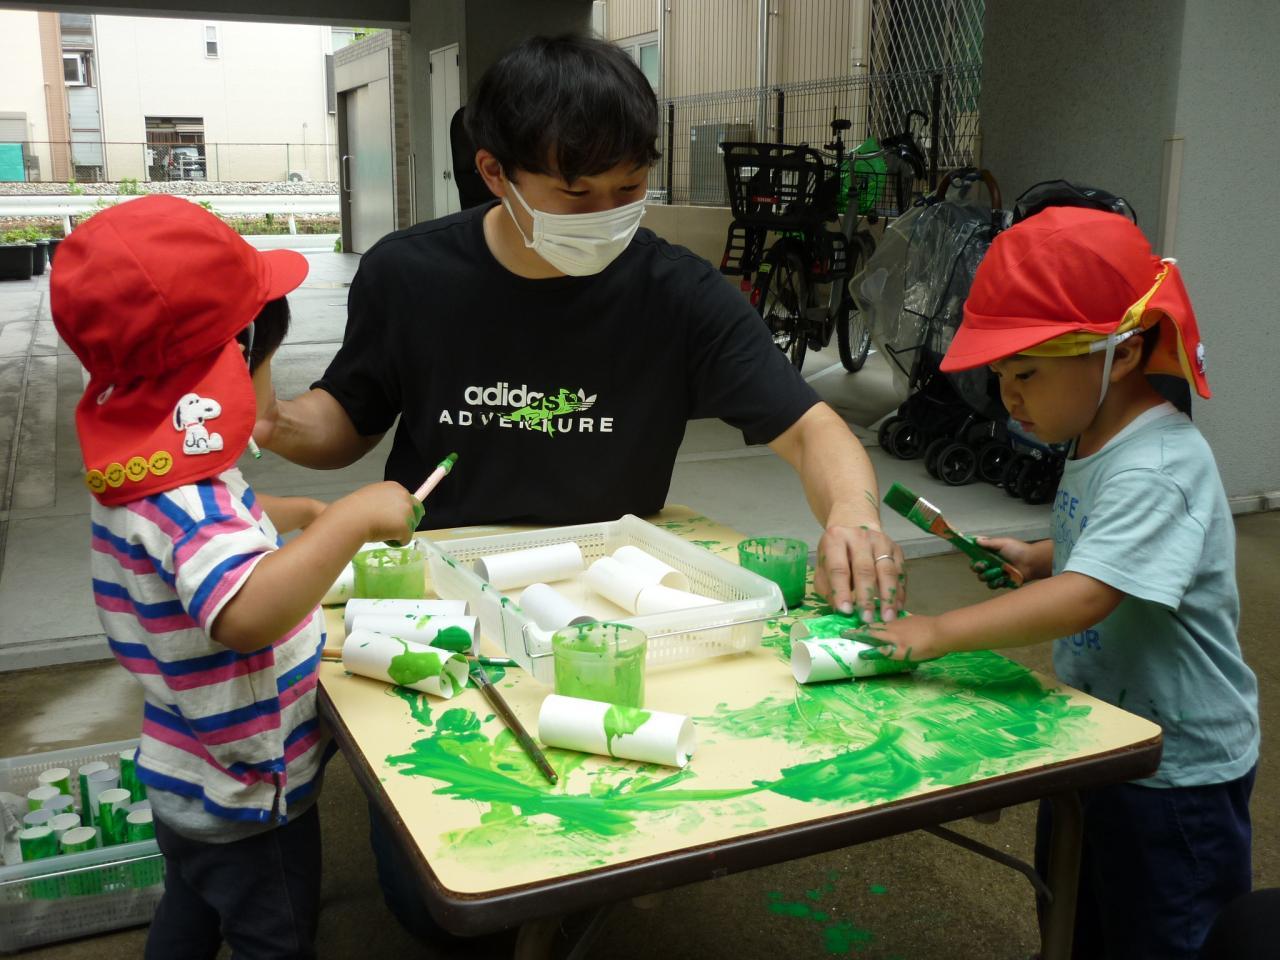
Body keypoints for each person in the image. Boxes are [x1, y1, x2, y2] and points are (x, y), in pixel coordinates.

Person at [256, 33, 906, 624]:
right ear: (495, 172)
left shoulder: (678, 293)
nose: (606, 214)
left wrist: (854, 516)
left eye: (629, 189)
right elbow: (349, 420)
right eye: (577, 194)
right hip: (443, 576)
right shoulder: (408, 273)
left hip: (614, 581)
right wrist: (274, 422)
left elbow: (811, 430)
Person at [862, 206, 1258, 959]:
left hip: (1175, 773)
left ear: (1124, 353)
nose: (1008, 397)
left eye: (1027, 374)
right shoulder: (1096, 435)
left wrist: (936, 632)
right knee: (1078, 918)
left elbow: (1090, 595)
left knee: (1166, 938)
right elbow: (1101, 547)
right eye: (1000, 376)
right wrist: (1044, 555)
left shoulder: (1158, 466)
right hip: (1102, 735)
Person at [50, 195, 425, 959]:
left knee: (189, 906)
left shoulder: (147, 471)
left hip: (183, 766)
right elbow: (246, 612)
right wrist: (351, 520)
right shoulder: (188, 502)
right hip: (246, 796)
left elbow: (219, 524)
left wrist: (296, 514)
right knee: (273, 936)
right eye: (266, 365)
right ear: (223, 366)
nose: (271, 386)